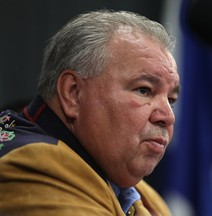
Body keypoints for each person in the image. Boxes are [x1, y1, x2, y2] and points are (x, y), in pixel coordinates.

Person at [0, 10, 180, 216]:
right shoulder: (32, 163)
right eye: (144, 90)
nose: (168, 116)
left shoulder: (140, 193)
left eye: (171, 100)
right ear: (73, 94)